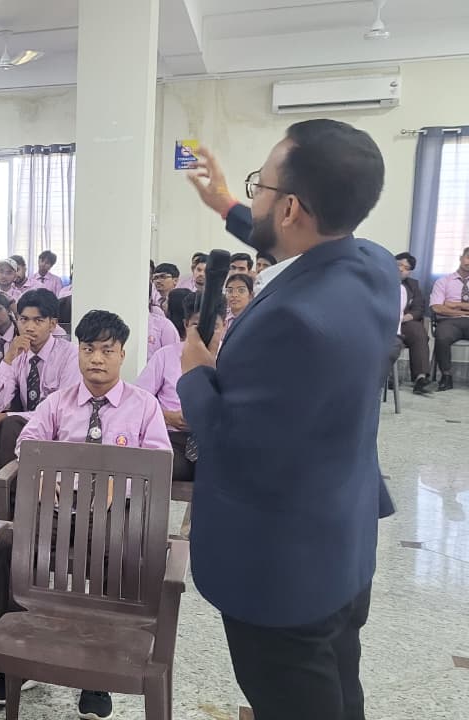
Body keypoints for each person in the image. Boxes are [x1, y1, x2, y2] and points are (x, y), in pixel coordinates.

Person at [181, 123, 395, 719]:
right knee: (339, 691)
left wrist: (196, 373)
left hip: (281, 572)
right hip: (341, 539)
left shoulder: (291, 322)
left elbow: (233, 446)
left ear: (291, 207)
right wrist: (225, 202)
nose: (254, 198)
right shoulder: (373, 267)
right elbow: (297, 249)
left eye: (260, 187)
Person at [0, 310, 172, 716]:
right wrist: (45, 474)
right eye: (88, 349)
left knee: (114, 554)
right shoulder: (58, 402)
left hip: (114, 514)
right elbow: (28, 443)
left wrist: (120, 483)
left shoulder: (144, 406)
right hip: (58, 508)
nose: (96, 359)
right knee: (11, 547)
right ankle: (14, 656)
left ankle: (97, 673)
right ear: (79, 352)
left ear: (122, 355)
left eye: (107, 350)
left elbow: (159, 464)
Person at [0, 289, 79, 466]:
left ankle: (6, 482)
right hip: (27, 430)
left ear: (52, 324)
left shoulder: (70, 354)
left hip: (60, 430)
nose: (29, 327)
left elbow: (62, 412)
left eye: (38, 321)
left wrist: (7, 416)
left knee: (10, 424)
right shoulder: (18, 353)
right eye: (23, 319)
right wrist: (8, 359)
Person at [136, 292, 201, 484]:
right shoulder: (165, 356)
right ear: (186, 324)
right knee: (153, 468)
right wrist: (167, 416)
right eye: (196, 325)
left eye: (212, 326)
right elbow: (140, 399)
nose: (204, 332)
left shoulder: (229, 358)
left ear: (223, 327)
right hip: (172, 438)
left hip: (214, 441)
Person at [429, 246, 469, 391]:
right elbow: (437, 307)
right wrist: (460, 312)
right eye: (468, 257)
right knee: (442, 335)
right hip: (449, 322)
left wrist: (456, 304)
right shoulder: (443, 281)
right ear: (461, 258)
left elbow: (445, 306)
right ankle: (446, 376)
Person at [394, 252, 432, 394]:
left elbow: (418, 308)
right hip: (383, 322)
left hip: (404, 322)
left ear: (409, 272)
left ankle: (420, 379)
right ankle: (388, 376)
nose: (401, 269)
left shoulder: (412, 285)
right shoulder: (379, 279)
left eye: (406, 268)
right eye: (399, 265)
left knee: (418, 331)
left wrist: (406, 317)